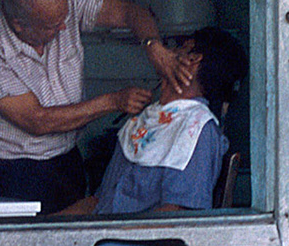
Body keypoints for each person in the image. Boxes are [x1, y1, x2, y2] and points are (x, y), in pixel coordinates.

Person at [0, 0, 190, 214]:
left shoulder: (67, 1)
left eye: (64, 19)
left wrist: (153, 47)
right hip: (14, 170)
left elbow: (130, 12)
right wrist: (113, 101)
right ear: (19, 25)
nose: (64, 28)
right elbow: (36, 121)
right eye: (52, 25)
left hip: (66, 158)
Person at [65, 26, 248, 216]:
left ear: (193, 60)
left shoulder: (196, 130)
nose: (165, 53)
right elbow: (98, 203)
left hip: (131, 243)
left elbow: (175, 218)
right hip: (101, 236)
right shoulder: (146, 121)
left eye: (178, 47)